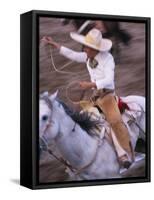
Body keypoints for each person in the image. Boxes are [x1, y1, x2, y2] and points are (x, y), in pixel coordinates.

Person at [42, 28, 133, 169]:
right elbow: (73, 55)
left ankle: (123, 153)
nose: (84, 49)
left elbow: (109, 80)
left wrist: (90, 84)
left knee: (114, 120)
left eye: (87, 47)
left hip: (107, 95)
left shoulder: (108, 59)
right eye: (85, 46)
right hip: (94, 96)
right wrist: (54, 44)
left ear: (95, 49)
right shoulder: (87, 56)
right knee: (79, 120)